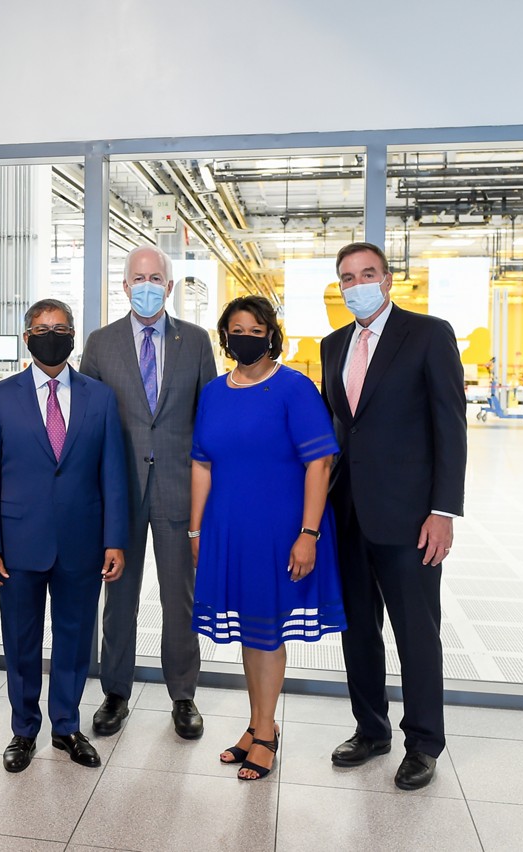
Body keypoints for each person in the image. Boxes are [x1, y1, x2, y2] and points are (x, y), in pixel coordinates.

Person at [319, 242, 467, 791]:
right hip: (348, 513)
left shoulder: (428, 334)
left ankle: (423, 743)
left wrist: (443, 510)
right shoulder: (333, 345)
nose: (357, 284)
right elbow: (341, 429)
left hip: (410, 518)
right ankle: (371, 730)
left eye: (367, 274)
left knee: (416, 634)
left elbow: (450, 425)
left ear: (387, 280)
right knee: (358, 631)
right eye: (347, 277)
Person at [189, 295, 346, 781]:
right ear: (224, 336)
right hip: (229, 528)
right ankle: (259, 724)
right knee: (249, 628)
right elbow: (201, 464)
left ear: (271, 336)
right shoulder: (214, 392)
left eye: (256, 331)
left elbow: (319, 463)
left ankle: (264, 734)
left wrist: (308, 533)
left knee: (267, 630)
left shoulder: (294, 388)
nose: (246, 339)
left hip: (279, 529)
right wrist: (196, 528)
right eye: (237, 331)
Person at [0, 299, 129, 773]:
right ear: (27, 338)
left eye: (60, 328)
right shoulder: (0, 397)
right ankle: (24, 729)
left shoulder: (100, 397)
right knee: (20, 642)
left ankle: (66, 725)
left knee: (74, 639)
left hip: (82, 542)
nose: (51, 335)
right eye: (42, 329)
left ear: (74, 336)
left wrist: (115, 539)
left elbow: (113, 474)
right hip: (18, 543)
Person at [80, 244, 215, 740]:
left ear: (170, 286)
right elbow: (88, 422)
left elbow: (208, 420)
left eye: (155, 278)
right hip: (120, 490)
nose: (147, 286)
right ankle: (115, 692)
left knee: (181, 598)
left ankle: (183, 695)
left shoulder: (195, 341)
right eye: (138, 278)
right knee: (119, 598)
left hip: (179, 488)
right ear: (124, 286)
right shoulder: (101, 343)